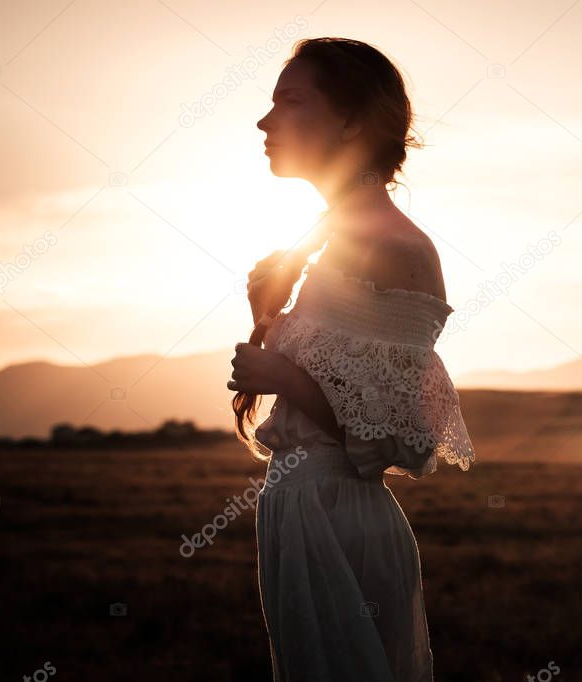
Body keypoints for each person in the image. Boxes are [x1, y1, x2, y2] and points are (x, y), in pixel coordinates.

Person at [227, 37, 475, 682]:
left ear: (352, 121)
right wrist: (266, 317)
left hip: (338, 515)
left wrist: (283, 374)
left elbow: (395, 433)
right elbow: (342, 380)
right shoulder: (328, 238)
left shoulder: (393, 244)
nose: (264, 120)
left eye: (290, 101)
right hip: (302, 509)